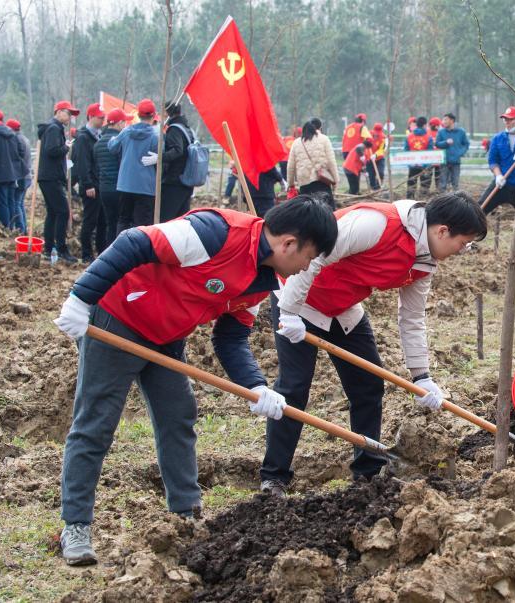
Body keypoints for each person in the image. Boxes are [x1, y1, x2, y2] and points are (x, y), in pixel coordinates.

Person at [52, 196, 339, 566]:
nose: (305, 268)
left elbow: (231, 337)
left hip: (167, 335)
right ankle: (75, 525)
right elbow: (133, 242)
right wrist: (80, 298)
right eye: (309, 257)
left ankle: (185, 514)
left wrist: (256, 385)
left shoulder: (263, 277)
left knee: (178, 415)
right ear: (288, 243)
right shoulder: (214, 233)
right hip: (117, 318)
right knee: (97, 423)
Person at [261, 192, 488, 495]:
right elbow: (315, 257)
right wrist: (288, 311)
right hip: (299, 303)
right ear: (442, 231)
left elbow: (412, 317)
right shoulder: (378, 223)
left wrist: (422, 377)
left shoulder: (424, 262)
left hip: (344, 310)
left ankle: (367, 473)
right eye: (462, 243)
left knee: (368, 386)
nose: (461, 251)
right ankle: (274, 476)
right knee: (294, 386)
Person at [480, 106, 515, 247]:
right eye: (505, 119)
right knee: (479, 209)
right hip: (502, 184)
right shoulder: (498, 138)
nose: (507, 122)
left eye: (510, 119)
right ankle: (470, 240)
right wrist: (498, 176)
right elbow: (493, 161)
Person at [37, 101, 78, 262]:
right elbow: (52, 150)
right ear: (59, 112)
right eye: (68, 113)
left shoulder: (53, 128)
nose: (70, 118)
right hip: (51, 177)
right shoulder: (54, 128)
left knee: (53, 213)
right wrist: (66, 147)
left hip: (48, 177)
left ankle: (48, 248)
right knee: (62, 212)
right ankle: (61, 249)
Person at [108, 99, 159, 229]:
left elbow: (113, 148)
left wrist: (113, 138)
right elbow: (162, 157)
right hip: (146, 186)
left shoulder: (126, 132)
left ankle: (122, 248)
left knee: (123, 220)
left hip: (125, 184)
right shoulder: (156, 136)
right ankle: (139, 249)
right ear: (153, 115)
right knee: (142, 225)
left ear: (138, 114)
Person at [73, 103, 108, 263]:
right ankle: (86, 253)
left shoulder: (98, 136)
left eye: (103, 117)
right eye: (100, 118)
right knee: (90, 220)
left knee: (102, 220)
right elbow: (82, 163)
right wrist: (87, 184)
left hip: (100, 184)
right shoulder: (83, 137)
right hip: (91, 186)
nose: (102, 120)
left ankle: (101, 251)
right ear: (91, 117)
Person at [0, 108, 26, 233]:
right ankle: (12, 227)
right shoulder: (12, 134)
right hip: (12, 174)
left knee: (2, 203)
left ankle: (6, 229)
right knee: (10, 202)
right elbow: (20, 152)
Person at [154, 101, 195, 222]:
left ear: (166, 113)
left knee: (166, 220)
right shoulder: (187, 129)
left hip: (174, 182)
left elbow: (177, 150)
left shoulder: (174, 129)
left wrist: (159, 157)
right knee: (181, 221)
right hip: (186, 181)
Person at [287, 120, 338, 208]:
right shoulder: (324, 139)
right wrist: (335, 181)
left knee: (309, 213)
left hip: (304, 185)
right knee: (327, 212)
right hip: (322, 182)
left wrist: (291, 184)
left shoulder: (296, 143)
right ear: (319, 128)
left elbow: (290, 167)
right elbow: (331, 162)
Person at [93, 109, 127, 241]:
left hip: (104, 189)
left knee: (110, 223)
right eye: (124, 122)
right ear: (118, 123)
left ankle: (108, 251)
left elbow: (97, 166)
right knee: (121, 222)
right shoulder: (120, 141)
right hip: (119, 187)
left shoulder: (98, 144)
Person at [7, 119, 31, 233]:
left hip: (21, 176)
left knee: (17, 204)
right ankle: (24, 229)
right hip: (27, 176)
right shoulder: (24, 138)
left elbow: (17, 157)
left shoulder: (16, 139)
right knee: (20, 203)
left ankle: (21, 229)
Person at [435, 113, 469, 192]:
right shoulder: (441, 132)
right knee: (443, 184)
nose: (443, 122)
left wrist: (460, 153)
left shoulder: (461, 132)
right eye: (443, 120)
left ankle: (455, 201)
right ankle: (442, 200)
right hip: (444, 161)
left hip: (456, 162)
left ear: (452, 120)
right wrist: (445, 142)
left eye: (445, 119)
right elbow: (437, 144)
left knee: (455, 184)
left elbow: (466, 144)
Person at [405, 116, 434, 200]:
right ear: (425, 125)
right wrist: (426, 165)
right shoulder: (428, 137)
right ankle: (423, 202)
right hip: (425, 166)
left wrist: (410, 163)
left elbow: (406, 151)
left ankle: (409, 201)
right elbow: (430, 153)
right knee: (425, 185)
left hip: (412, 165)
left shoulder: (409, 137)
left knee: (411, 185)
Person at [367, 123, 387, 190]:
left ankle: (379, 188)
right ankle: (373, 190)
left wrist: (375, 155)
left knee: (380, 173)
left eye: (378, 133)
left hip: (379, 158)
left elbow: (382, 150)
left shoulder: (383, 138)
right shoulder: (368, 135)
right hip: (369, 159)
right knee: (371, 176)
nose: (376, 134)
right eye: (375, 133)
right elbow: (365, 145)